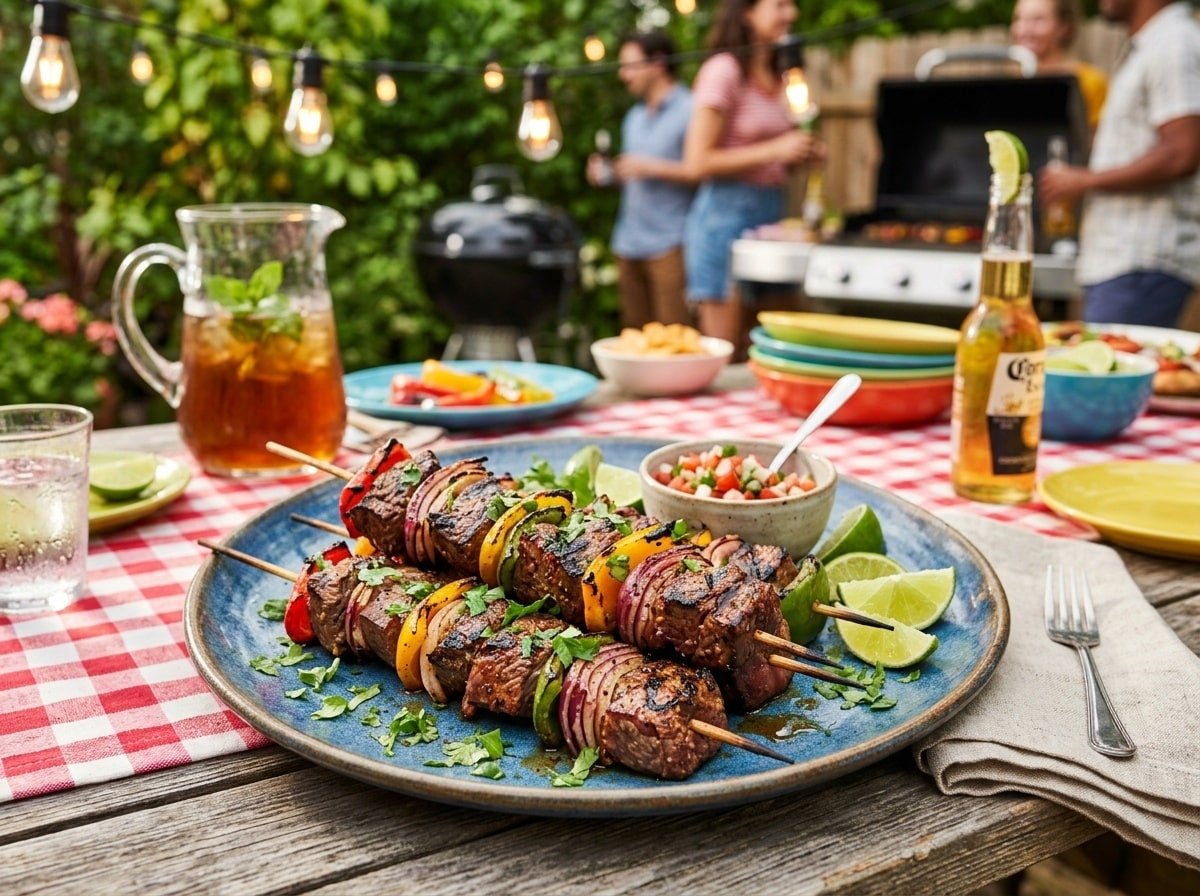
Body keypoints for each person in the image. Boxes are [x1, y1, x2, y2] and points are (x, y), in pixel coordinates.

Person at [1039, 0, 1200, 327]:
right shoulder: (1152, 45)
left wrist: (1085, 180)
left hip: (1142, 258)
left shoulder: (1175, 43)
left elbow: (1182, 152)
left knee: (1109, 361)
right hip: (1124, 261)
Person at [681, 0, 825, 345]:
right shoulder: (723, 71)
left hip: (772, 215)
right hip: (723, 220)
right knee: (725, 351)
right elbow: (696, 162)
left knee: (773, 345)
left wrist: (799, 154)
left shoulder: (784, 76)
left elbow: (775, 157)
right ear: (747, 12)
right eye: (779, 4)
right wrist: (776, 149)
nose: (791, 14)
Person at [587, 31, 695, 330]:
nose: (623, 75)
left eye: (630, 66)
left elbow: (702, 172)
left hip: (671, 243)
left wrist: (651, 167)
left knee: (674, 337)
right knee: (633, 337)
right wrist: (609, 175)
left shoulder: (691, 109)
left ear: (658, 63)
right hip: (628, 242)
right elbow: (635, 176)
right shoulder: (633, 117)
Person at [1011, 0, 1109, 132]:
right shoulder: (1010, 82)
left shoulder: (1090, 81)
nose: (1025, 29)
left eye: (1038, 20)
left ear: (1065, 26)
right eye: (1019, 19)